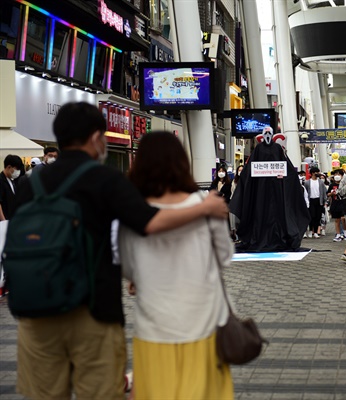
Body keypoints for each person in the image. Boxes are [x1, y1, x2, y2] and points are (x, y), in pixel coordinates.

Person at [12, 102, 228, 400]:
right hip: (93, 313)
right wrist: (203, 207)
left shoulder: (30, 183)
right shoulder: (104, 179)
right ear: (95, 138)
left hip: (35, 313)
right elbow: (149, 222)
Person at [119, 131, 234, 399]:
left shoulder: (134, 211)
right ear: (183, 162)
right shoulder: (206, 205)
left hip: (153, 326)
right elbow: (225, 256)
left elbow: (126, 265)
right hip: (202, 322)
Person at [304, 166, 327, 238]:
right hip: (311, 200)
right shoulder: (307, 182)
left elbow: (324, 192)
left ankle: (316, 232)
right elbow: (305, 192)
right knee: (312, 216)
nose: (317, 174)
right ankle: (310, 231)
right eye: (316, 172)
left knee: (318, 217)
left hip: (319, 200)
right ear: (312, 173)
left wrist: (324, 201)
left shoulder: (321, 182)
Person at [0, 154, 22, 221]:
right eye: (16, 169)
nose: (18, 172)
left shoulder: (11, 180)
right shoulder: (1, 180)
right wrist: (3, 220)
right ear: (9, 167)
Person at [327, 169, 346, 242]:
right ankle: (338, 234)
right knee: (337, 219)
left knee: (344, 218)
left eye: (339, 174)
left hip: (343, 203)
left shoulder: (344, 184)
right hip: (335, 203)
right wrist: (331, 194)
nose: (337, 176)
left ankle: (345, 233)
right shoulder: (332, 185)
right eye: (335, 174)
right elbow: (328, 194)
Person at [230, 164, 244, 241]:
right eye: (239, 170)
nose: (240, 172)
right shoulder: (234, 182)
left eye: (242, 170)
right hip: (234, 201)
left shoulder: (246, 181)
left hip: (243, 202)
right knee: (234, 220)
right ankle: (235, 235)